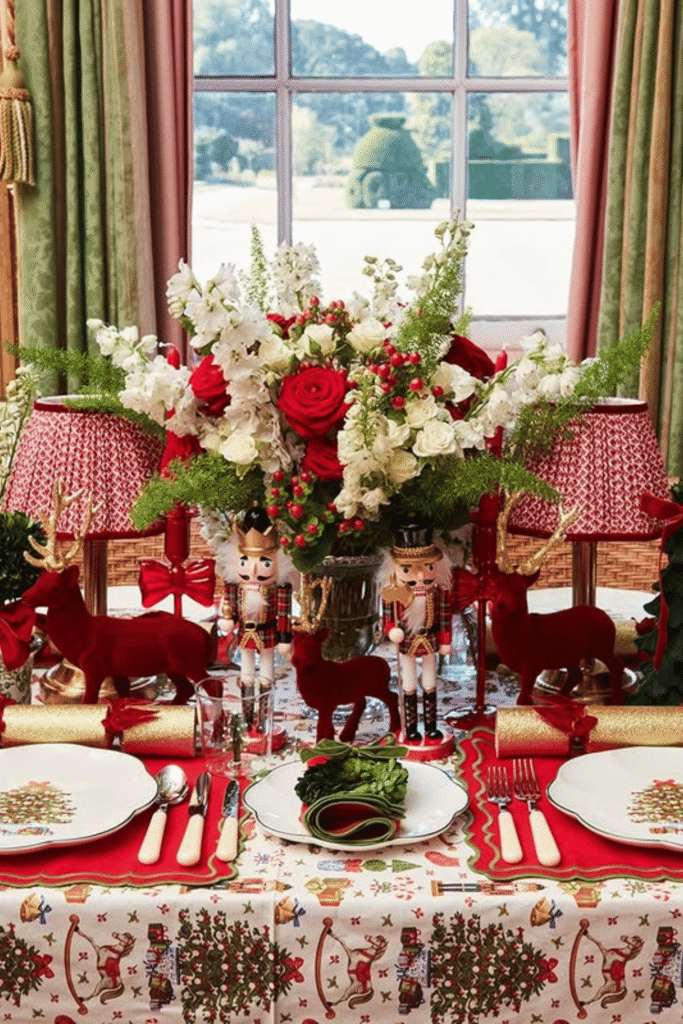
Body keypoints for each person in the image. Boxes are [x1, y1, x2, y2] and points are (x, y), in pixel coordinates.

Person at [381, 516, 452, 746]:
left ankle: (431, 727)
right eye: (410, 570)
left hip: (429, 640)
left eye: (428, 568)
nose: (420, 577)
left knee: (430, 682)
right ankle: (410, 728)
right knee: (409, 684)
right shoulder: (393, 595)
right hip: (407, 643)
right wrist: (392, 631)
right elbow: (387, 620)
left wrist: (445, 640)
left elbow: (444, 619)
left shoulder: (438, 593)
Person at [218, 504, 293, 715]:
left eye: (264, 563)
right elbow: (229, 606)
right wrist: (228, 617)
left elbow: (284, 614)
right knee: (246, 670)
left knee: (267, 670)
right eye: (245, 561)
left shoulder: (278, 589)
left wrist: (285, 636)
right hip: (244, 631)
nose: (253, 570)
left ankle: (265, 716)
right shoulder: (235, 585)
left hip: (268, 630)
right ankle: (248, 714)